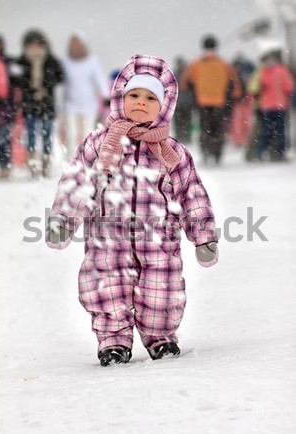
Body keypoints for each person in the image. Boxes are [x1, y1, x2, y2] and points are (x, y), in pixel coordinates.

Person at [45, 54, 219, 367]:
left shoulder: (171, 151)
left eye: (150, 97)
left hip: (158, 242)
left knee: (161, 292)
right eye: (134, 95)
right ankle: (113, 341)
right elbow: (79, 182)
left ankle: (161, 336)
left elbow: (191, 193)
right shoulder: (99, 144)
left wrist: (203, 237)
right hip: (107, 240)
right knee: (105, 288)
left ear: (164, 105)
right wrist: (64, 221)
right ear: (119, 98)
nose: (140, 102)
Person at [181, 34, 242, 164]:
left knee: (205, 128)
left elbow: (185, 83)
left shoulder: (196, 64)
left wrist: (194, 88)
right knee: (218, 128)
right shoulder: (224, 64)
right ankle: (217, 154)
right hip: (219, 102)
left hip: (202, 102)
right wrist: (234, 95)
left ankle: (206, 152)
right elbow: (235, 83)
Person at [17, 29, 64, 177]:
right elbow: (16, 80)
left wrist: (45, 86)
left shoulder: (51, 60)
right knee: (30, 135)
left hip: (47, 105)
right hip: (29, 104)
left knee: (47, 136)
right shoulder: (22, 61)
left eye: (38, 43)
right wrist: (30, 89)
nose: (35, 46)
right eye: (32, 43)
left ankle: (45, 165)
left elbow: (60, 77)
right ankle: (32, 166)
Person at [60, 31, 110, 160]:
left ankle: (87, 159)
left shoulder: (92, 61)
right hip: (71, 103)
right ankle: (71, 160)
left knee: (87, 133)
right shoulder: (65, 62)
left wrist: (106, 96)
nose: (76, 46)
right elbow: (61, 83)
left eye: (78, 43)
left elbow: (99, 78)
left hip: (89, 103)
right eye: (73, 43)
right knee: (71, 133)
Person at [256, 49, 294, 162]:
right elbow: (289, 87)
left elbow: (258, 87)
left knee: (267, 130)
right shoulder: (282, 71)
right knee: (280, 131)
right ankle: (279, 153)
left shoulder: (263, 71)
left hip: (266, 106)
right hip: (280, 105)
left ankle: (261, 151)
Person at [0, 34, 17, 180]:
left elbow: (14, 85)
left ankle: (5, 167)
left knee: (4, 139)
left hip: (4, 108)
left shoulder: (8, 62)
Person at [173, 56, 194, 144]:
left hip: (183, 102)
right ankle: (182, 136)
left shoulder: (187, 74)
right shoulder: (188, 74)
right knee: (181, 121)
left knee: (185, 121)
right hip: (181, 103)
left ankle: (185, 136)